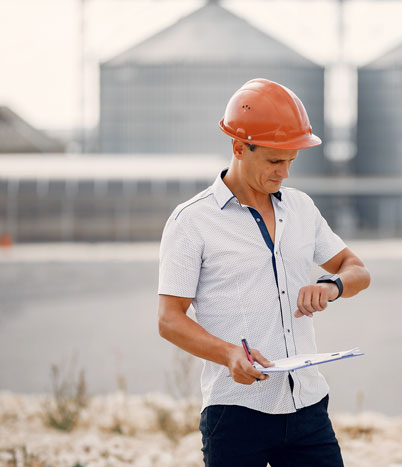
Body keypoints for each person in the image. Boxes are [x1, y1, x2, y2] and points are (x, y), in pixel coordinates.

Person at [157, 78, 371, 467]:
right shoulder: (191, 221)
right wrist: (228, 355)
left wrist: (330, 286)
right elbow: (170, 320)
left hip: (307, 406)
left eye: (291, 161)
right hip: (236, 413)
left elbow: (357, 270)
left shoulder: (302, 208)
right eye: (275, 161)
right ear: (239, 147)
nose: (285, 173)